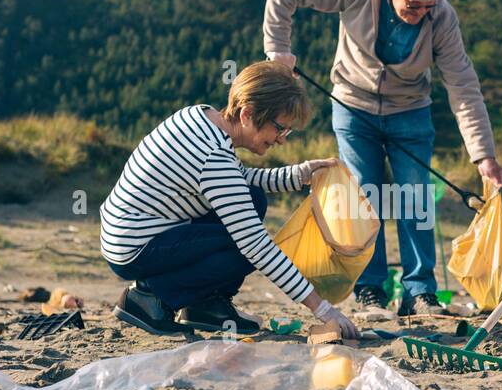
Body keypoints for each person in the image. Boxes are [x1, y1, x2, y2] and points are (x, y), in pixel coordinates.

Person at [263, 0, 502, 317]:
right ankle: (370, 290)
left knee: (415, 197)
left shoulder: (441, 17)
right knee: (364, 195)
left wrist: (483, 155)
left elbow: (463, 85)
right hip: (352, 105)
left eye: (428, 4)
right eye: (413, 3)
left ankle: (420, 292)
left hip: (410, 112)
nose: (420, 11)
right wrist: (278, 48)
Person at [99, 61, 360, 339]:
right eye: (279, 128)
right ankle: (149, 298)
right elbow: (255, 245)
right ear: (248, 113)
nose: (281, 140)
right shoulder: (214, 156)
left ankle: (204, 305)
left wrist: (301, 174)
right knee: (246, 248)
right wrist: (322, 308)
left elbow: (236, 179)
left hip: (127, 233)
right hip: (136, 247)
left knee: (253, 199)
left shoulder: (200, 116)